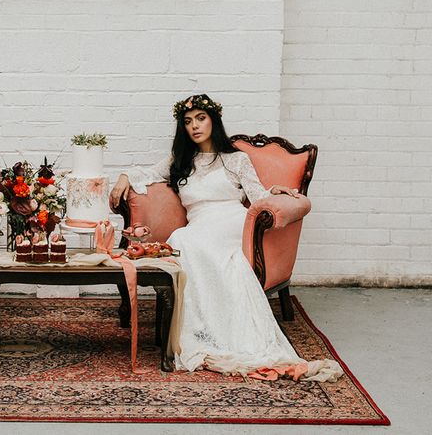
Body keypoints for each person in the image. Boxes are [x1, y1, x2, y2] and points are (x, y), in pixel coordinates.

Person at [109, 94, 338, 379]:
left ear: (213, 120)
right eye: (188, 121)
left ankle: (224, 331)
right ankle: (203, 328)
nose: (194, 126)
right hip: (200, 224)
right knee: (182, 240)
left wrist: (275, 193)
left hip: (232, 222)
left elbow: (258, 197)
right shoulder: (180, 160)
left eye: (201, 119)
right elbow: (145, 173)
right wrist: (122, 177)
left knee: (184, 241)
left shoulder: (236, 159)